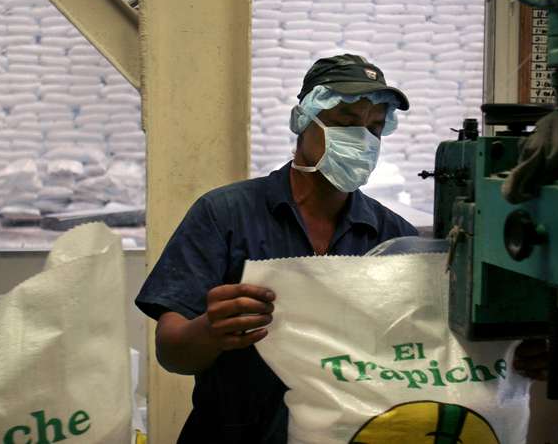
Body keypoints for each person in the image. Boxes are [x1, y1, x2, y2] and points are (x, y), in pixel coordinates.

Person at [136, 54, 420, 443]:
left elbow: (421, 354)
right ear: (304, 120)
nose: (362, 140)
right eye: (346, 123)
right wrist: (210, 330)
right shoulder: (226, 215)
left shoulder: (393, 237)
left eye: (374, 127)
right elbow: (172, 352)